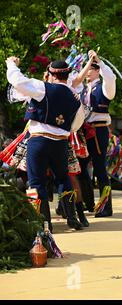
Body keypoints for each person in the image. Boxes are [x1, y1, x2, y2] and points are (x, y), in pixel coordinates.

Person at [6, 57, 85, 232]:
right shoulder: (75, 97)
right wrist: (62, 129)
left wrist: (11, 64)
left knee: (36, 182)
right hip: (61, 143)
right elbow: (77, 124)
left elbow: (17, 82)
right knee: (63, 178)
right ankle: (72, 218)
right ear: (67, 75)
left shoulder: (44, 87)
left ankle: (43, 223)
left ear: (50, 74)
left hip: (39, 140)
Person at [77, 50, 117, 218]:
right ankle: (89, 202)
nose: (87, 73)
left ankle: (106, 206)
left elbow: (111, 77)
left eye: (91, 70)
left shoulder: (104, 87)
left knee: (100, 168)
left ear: (97, 71)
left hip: (99, 129)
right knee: (79, 167)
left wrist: (100, 62)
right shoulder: (83, 90)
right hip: (84, 131)